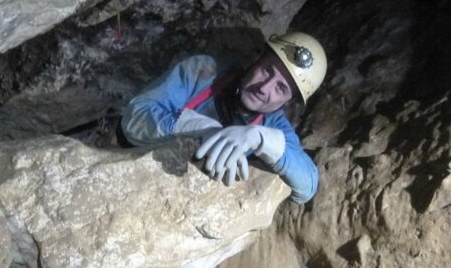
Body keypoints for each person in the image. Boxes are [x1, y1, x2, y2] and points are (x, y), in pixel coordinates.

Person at [120, 32, 327, 204]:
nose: (264, 88)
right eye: (267, 70)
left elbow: (307, 186)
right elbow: (134, 115)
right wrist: (196, 127)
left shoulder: (273, 125)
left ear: (288, 102)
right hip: (130, 180)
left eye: (280, 88)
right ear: (257, 59)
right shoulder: (206, 72)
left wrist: (261, 139)